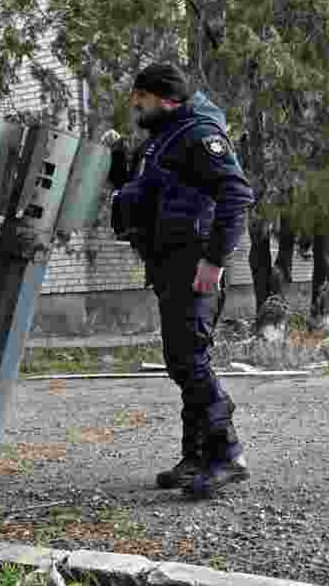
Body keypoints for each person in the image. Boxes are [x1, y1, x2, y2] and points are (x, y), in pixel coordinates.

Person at [108, 63, 255, 498]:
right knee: (181, 358)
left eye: (141, 97)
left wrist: (214, 260)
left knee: (189, 359)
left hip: (194, 265)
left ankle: (227, 453)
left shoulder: (198, 134)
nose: (135, 104)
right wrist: (120, 162)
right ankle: (196, 457)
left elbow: (236, 192)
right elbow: (140, 197)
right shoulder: (162, 140)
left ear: (165, 96)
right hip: (169, 265)